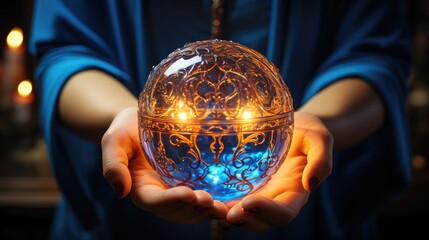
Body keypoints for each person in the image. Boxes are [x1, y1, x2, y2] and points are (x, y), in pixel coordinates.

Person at [29, 0, 412, 239]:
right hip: (122, 227)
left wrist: (314, 122)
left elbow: (375, 56)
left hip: (313, 223)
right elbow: (65, 50)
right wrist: (125, 119)